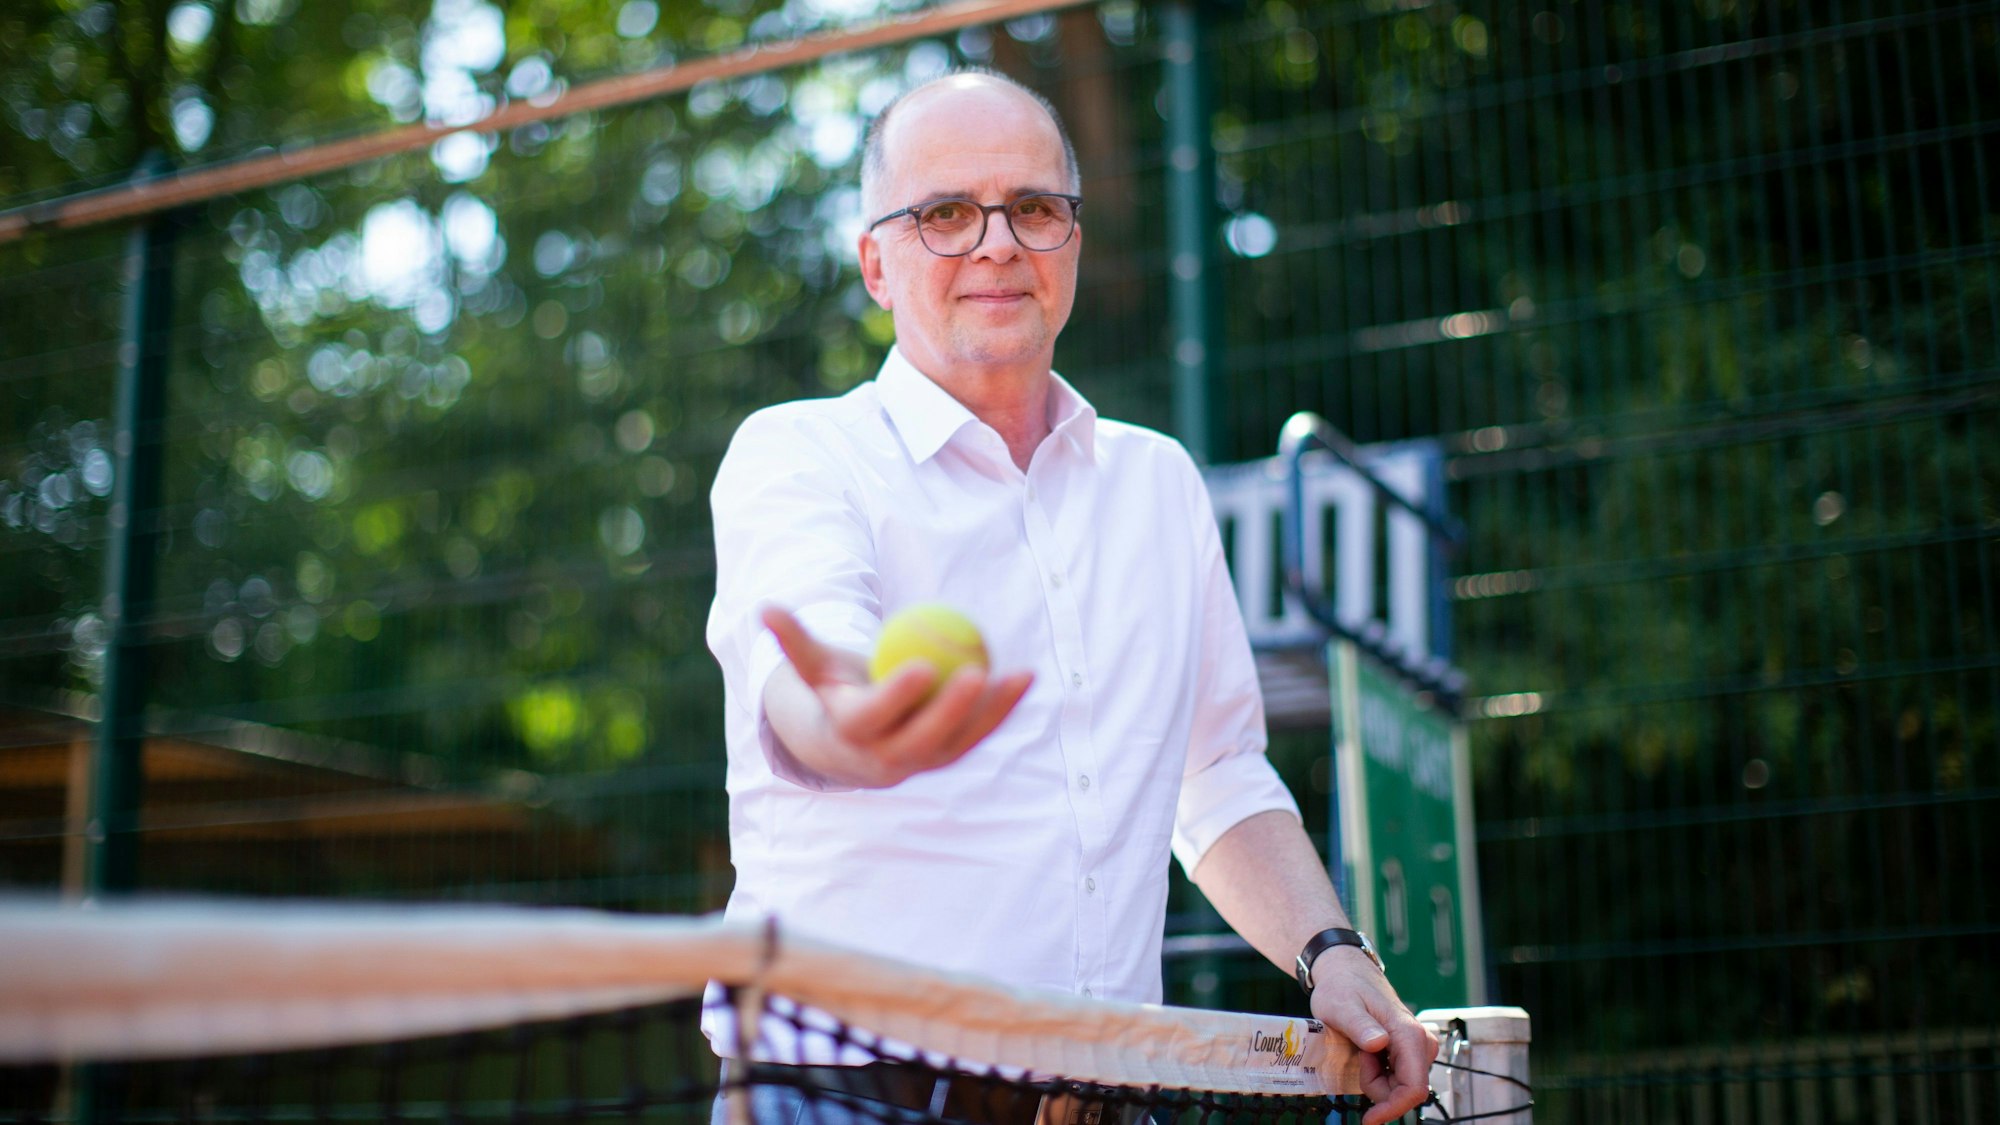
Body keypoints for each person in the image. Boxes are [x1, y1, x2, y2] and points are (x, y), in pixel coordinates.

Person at [704, 69, 1438, 1125]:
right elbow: (807, 682)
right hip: (839, 1095)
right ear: (875, 263)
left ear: (1073, 243)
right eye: (945, 213)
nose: (996, 243)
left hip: (1106, 1099)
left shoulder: (1159, 483)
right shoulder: (798, 456)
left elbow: (1218, 776)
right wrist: (857, 724)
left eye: (1033, 207)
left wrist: (1332, 953)